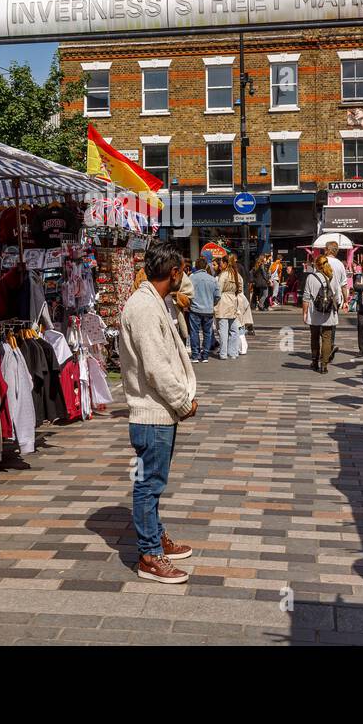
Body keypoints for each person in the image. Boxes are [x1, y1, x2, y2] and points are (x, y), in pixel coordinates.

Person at [118, 240, 197, 584]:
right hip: (153, 413)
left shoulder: (153, 301)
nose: (184, 276)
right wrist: (182, 402)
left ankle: (155, 535)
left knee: (153, 483)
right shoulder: (145, 307)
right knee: (148, 485)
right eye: (182, 270)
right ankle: (150, 554)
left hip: (158, 412)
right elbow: (155, 368)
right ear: (174, 271)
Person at [302, 255, 341, 373]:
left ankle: (314, 362)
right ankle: (324, 365)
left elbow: (306, 297)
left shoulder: (310, 277)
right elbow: (337, 297)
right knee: (327, 338)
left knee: (314, 338)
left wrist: (304, 313)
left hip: (314, 312)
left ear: (317, 266)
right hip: (328, 312)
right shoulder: (332, 277)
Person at [187, 257, 219, 363]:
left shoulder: (192, 278)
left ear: (196, 266)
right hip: (208, 309)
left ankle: (195, 355)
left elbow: (187, 293)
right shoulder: (212, 279)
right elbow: (217, 296)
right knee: (207, 332)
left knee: (194, 332)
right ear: (206, 266)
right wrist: (212, 303)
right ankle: (205, 355)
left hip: (195, 308)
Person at [215, 254, 244, 360]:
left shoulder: (224, 275)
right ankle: (233, 352)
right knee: (234, 329)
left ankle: (223, 353)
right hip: (233, 301)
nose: (220, 264)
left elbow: (218, 290)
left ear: (226, 263)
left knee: (223, 330)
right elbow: (240, 289)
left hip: (223, 302)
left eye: (221, 262)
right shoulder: (236, 274)